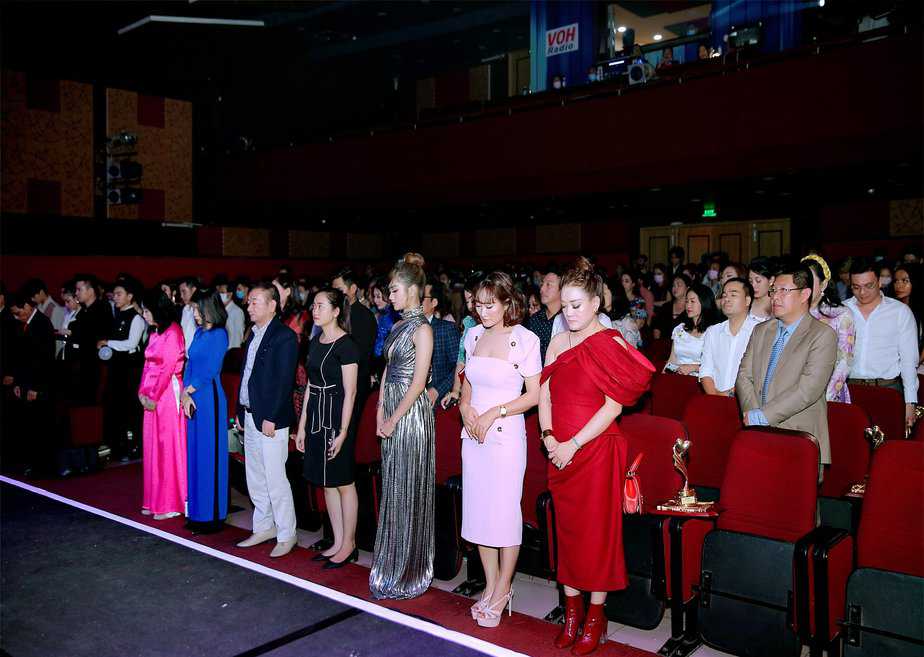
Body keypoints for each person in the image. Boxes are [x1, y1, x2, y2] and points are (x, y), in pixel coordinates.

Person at [538, 257, 655, 654]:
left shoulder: (610, 342)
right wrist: (549, 436)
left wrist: (572, 444)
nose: (569, 313)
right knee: (568, 535)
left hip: (597, 450)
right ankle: (571, 613)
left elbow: (613, 407)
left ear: (595, 303)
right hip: (559, 452)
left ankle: (594, 618)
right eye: (565, 305)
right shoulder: (557, 342)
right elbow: (545, 394)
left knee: (597, 537)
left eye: (577, 305)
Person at [459, 272, 541, 628]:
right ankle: (490, 585)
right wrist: (466, 409)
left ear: (508, 303)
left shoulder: (526, 339)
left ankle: (505, 588)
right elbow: (467, 386)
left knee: (504, 513)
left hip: (505, 436)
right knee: (479, 512)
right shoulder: (473, 335)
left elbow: (533, 395)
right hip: (473, 435)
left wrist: (495, 412)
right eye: (478, 305)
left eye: (490, 305)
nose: (483, 312)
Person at [369, 253, 435, 600]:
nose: (389, 296)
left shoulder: (423, 329)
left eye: (394, 290)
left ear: (411, 290)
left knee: (408, 486)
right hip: (392, 410)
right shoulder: (396, 326)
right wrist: (380, 410)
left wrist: (394, 417)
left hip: (411, 416)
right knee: (393, 486)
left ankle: (409, 569)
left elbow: (419, 382)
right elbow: (387, 371)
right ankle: (390, 563)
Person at [736, 265, 837, 477]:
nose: (775, 297)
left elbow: (808, 389)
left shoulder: (822, 335)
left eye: (784, 290)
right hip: (757, 432)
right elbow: (744, 376)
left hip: (798, 435)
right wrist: (754, 417)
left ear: (805, 294)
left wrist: (764, 416)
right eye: (773, 290)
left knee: (794, 497)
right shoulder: (761, 330)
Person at [295, 288, 359, 569]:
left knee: (343, 482)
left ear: (336, 311)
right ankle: (337, 539)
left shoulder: (347, 345)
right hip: (316, 416)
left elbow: (351, 392)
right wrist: (302, 426)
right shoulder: (315, 341)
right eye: (313, 306)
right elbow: (310, 385)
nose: (315, 310)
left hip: (337, 415)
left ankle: (349, 543)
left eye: (321, 306)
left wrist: (343, 431)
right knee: (326, 481)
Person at [234, 282, 299, 556]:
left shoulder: (284, 336)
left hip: (271, 419)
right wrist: (240, 410)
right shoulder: (253, 334)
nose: (249, 306)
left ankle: (287, 533)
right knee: (256, 476)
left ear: (272, 305)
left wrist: (271, 416)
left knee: (275, 478)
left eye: (255, 301)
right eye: (248, 302)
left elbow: (284, 381)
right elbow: (246, 376)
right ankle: (263, 526)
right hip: (250, 414)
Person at [845, 259, 919, 433]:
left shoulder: (899, 312)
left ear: (879, 282)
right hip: (850, 390)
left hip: (887, 389)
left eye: (869, 285)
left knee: (890, 443)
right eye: (856, 287)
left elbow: (908, 361)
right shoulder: (842, 310)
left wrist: (910, 402)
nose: (862, 292)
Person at [181, 292, 229, 534]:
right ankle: (198, 513)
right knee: (195, 455)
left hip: (209, 398)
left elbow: (211, 370)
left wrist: (188, 390)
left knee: (210, 456)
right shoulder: (200, 333)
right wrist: (184, 392)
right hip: (192, 397)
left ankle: (213, 515)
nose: (195, 314)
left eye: (198, 309)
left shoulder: (219, 334)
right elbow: (189, 363)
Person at [137, 289, 187, 520]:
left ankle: (171, 502)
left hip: (167, 394)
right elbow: (147, 364)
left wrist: (153, 396)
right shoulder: (155, 331)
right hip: (152, 393)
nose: (144, 315)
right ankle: (154, 499)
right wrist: (142, 392)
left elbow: (167, 368)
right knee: (152, 447)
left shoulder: (173, 332)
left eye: (147, 310)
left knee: (167, 446)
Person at [7, 292, 55, 476]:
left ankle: (42, 468)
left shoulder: (42, 323)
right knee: (28, 426)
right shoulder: (23, 324)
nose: (16, 317)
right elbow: (20, 357)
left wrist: (37, 388)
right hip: (25, 382)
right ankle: (31, 464)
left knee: (40, 427)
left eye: (18, 312)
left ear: (27, 306)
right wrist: (18, 383)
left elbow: (45, 360)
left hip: (39, 385)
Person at [97, 277, 146, 460]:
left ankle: (136, 447)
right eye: (114, 294)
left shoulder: (136, 318)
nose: (115, 297)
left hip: (131, 371)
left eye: (119, 294)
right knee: (116, 409)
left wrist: (108, 342)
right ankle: (118, 447)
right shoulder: (117, 316)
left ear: (130, 296)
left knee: (131, 410)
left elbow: (132, 343)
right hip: (116, 370)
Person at [803, 255, 855, 403]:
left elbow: (844, 361)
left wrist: (825, 398)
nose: (805, 287)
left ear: (824, 284)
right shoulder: (791, 314)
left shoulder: (840, 314)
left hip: (828, 394)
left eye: (810, 281)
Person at [699, 278, 760, 396]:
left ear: (747, 300)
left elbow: (757, 373)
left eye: (733, 295)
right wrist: (716, 396)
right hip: (713, 398)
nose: (726, 299)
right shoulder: (713, 332)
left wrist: (729, 395)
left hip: (746, 400)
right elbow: (706, 371)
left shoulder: (759, 331)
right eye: (724, 295)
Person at [70, 275, 113, 403]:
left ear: (91, 290)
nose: (76, 293)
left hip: (96, 366)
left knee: (90, 402)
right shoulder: (84, 310)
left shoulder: (102, 308)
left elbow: (96, 336)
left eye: (79, 289)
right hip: (82, 363)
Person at [664, 284, 720, 375]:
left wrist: (693, 367)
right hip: (678, 378)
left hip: (701, 379)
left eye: (692, 301)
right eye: (687, 301)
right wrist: (664, 376)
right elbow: (672, 359)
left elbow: (718, 365)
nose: (688, 305)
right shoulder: (679, 329)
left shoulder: (714, 331)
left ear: (704, 302)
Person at [421, 281, 462, 407]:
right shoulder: (406, 328)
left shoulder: (446, 329)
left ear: (434, 302)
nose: (416, 300)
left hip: (435, 400)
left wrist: (437, 390)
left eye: (421, 297)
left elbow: (458, 366)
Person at [442, 277, 479, 409]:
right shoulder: (469, 322)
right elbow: (461, 360)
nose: (469, 306)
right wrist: (456, 391)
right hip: (467, 389)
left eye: (472, 301)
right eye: (467, 301)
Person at [528, 267, 562, 364]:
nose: (542, 289)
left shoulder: (568, 321)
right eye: (542, 284)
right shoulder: (535, 319)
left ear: (562, 289)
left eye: (548, 285)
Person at [652, 274, 691, 340]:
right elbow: (657, 328)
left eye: (679, 285)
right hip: (664, 343)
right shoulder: (666, 306)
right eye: (673, 285)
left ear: (687, 288)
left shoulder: (691, 308)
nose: (675, 288)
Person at [215, 276, 244, 350]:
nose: (219, 296)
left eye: (222, 293)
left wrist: (232, 354)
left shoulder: (237, 312)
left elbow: (237, 338)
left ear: (230, 294)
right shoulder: (220, 310)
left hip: (230, 352)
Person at [178, 277, 199, 350]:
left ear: (194, 290)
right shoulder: (184, 309)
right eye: (180, 292)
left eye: (184, 291)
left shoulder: (202, 310)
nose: (181, 296)